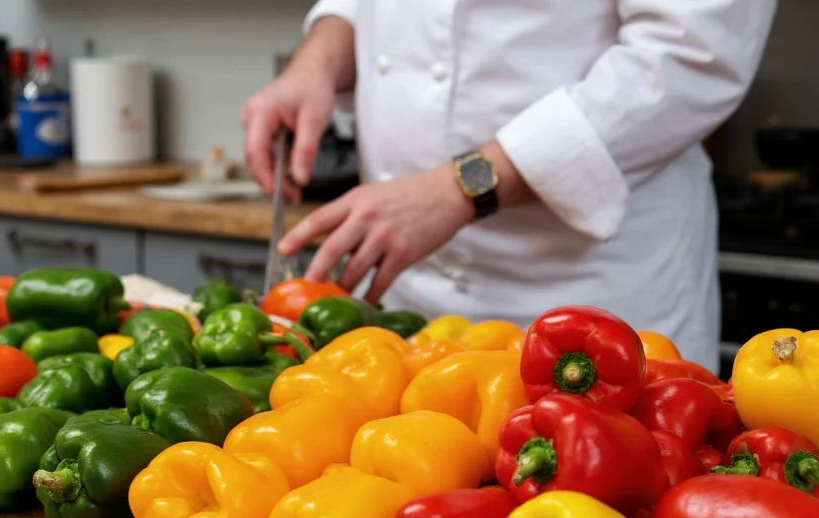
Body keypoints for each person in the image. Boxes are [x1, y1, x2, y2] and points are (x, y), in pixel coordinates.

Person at [241, 1, 777, 372]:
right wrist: (317, 59)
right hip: (405, 296)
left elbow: (689, 59)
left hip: (593, 293)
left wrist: (459, 189)